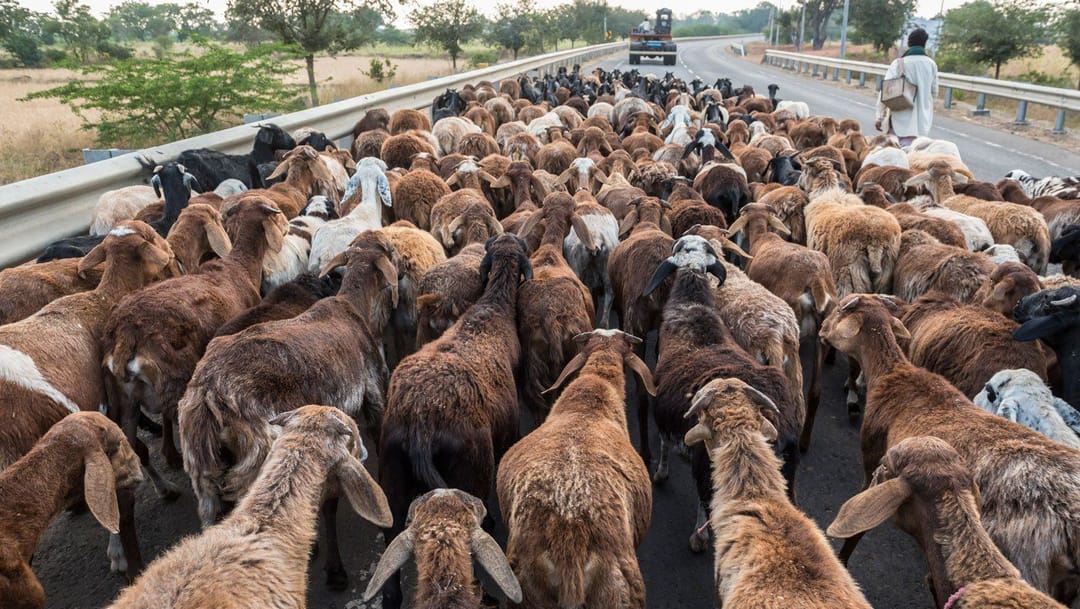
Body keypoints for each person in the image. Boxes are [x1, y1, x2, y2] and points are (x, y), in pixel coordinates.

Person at [875, 28, 938, 147]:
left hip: (899, 124)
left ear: (909, 43)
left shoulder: (899, 64)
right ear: (924, 43)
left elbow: (886, 92)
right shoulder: (931, 64)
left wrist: (879, 117)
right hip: (922, 126)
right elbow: (934, 92)